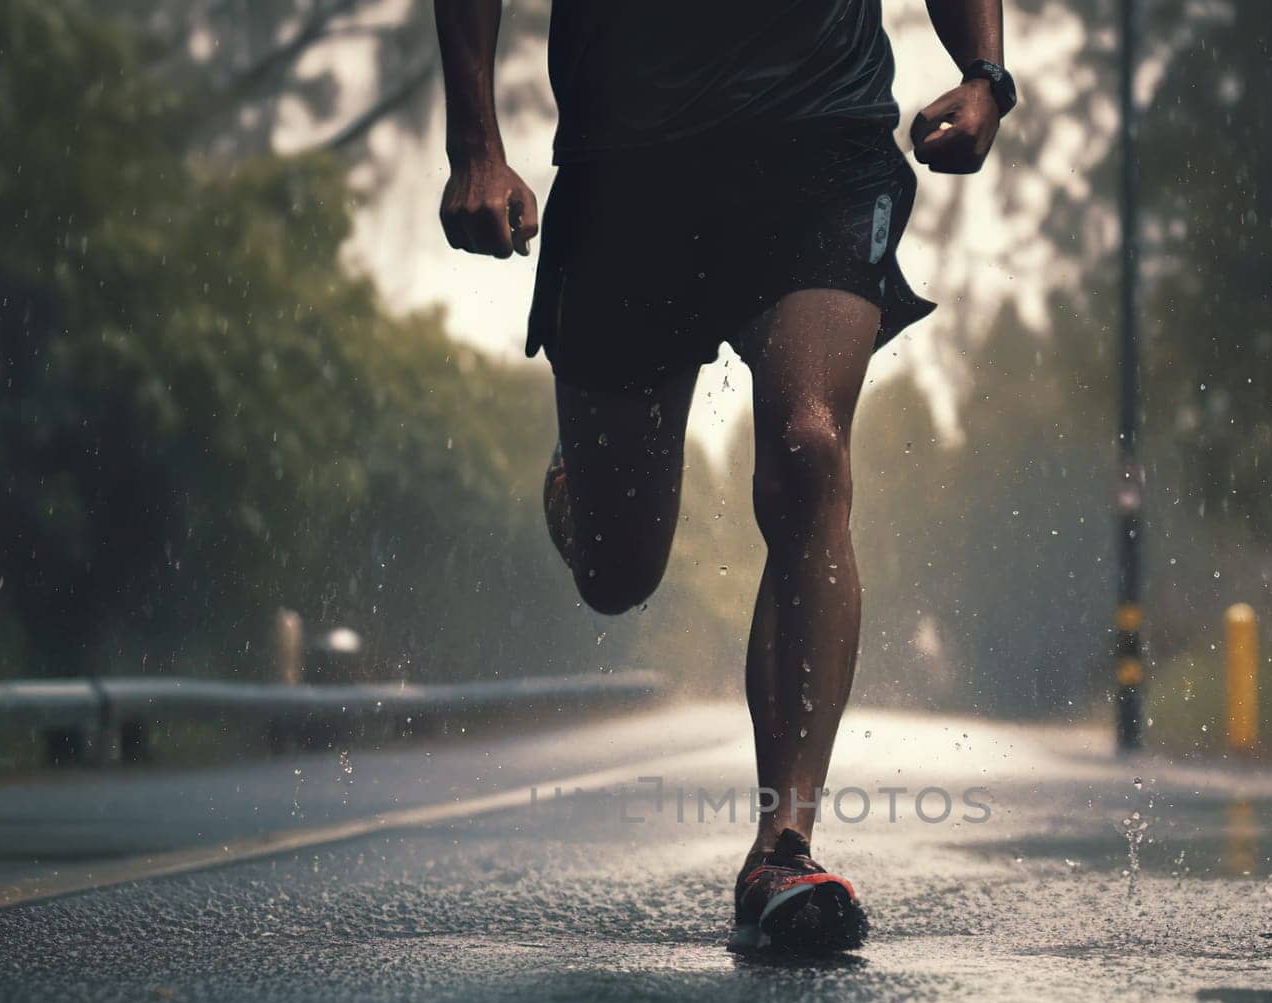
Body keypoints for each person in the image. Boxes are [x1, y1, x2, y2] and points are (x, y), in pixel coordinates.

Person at [434, 0, 1014, 953]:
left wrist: (986, 76)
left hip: (821, 136)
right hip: (628, 161)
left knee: (809, 446)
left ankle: (784, 848)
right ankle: (581, 487)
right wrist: (476, 147)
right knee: (618, 571)